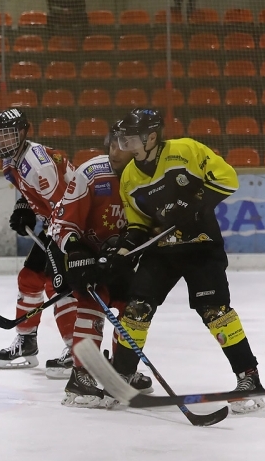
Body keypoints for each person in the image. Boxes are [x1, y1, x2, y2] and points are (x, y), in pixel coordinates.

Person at [99, 107, 265, 415]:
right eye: (123, 138)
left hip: (201, 246)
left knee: (215, 311)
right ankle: (123, 376)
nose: (125, 144)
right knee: (137, 308)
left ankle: (249, 377)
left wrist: (195, 207)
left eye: (132, 138)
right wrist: (122, 253)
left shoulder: (186, 150)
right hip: (162, 253)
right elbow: (138, 226)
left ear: (151, 137)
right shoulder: (129, 177)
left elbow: (228, 179)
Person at [47, 121, 152, 407]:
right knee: (92, 303)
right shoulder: (91, 173)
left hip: (124, 257)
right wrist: (75, 250)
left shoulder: (149, 177)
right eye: (112, 144)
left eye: (123, 146)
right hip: (86, 254)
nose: (115, 152)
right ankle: (81, 376)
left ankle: (122, 372)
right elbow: (61, 222)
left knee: (134, 309)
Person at [0, 108, 78, 377]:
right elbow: (31, 194)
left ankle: (78, 351)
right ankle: (26, 342)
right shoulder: (11, 161)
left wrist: (64, 241)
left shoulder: (38, 163)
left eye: (8, 135)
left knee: (58, 284)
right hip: (56, 223)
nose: (2, 141)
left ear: (22, 132)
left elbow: (66, 205)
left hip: (74, 225)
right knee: (29, 278)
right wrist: (23, 208)